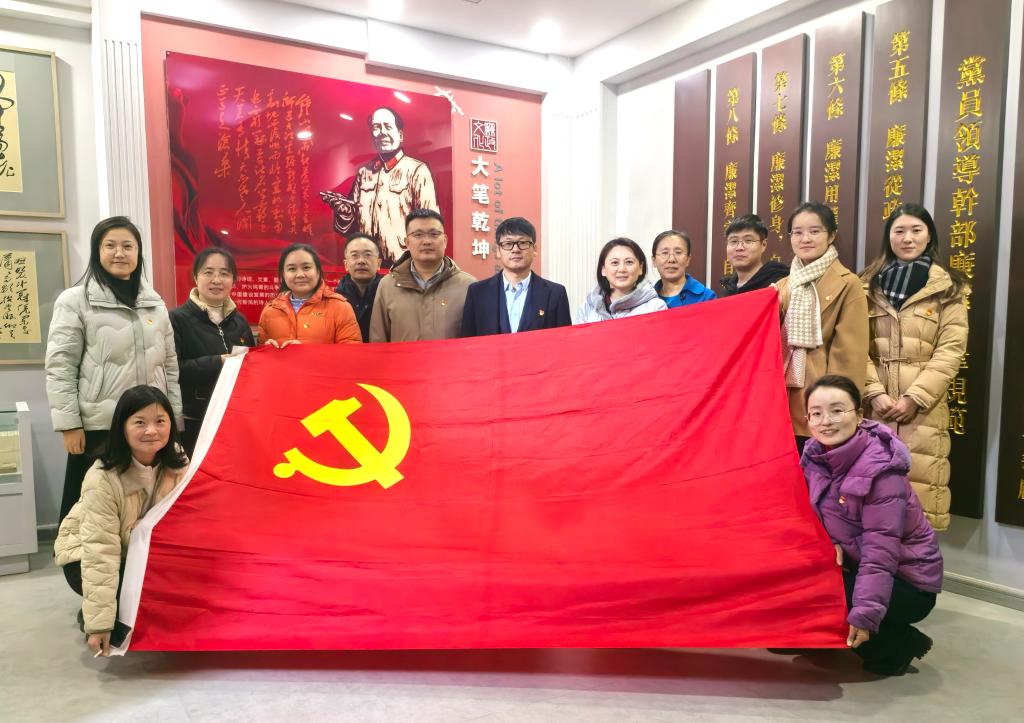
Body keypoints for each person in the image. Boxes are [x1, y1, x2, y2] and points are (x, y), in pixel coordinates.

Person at [801, 374, 942, 676]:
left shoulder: (881, 473)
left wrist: (864, 616)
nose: (826, 421)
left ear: (859, 415)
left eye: (837, 411)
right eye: (816, 413)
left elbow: (881, 554)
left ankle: (897, 643)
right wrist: (828, 541)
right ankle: (825, 636)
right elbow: (811, 513)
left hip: (907, 584)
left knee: (813, 589)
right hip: (860, 567)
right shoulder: (814, 456)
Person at [45, 216, 183, 525]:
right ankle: (83, 559)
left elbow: (169, 366)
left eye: (127, 246)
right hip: (100, 426)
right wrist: (69, 425)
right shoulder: (75, 301)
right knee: (91, 514)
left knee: (144, 510)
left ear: (138, 253)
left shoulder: (155, 303)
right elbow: (60, 366)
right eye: (110, 245)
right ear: (97, 251)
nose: (119, 253)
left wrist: (173, 419)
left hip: (148, 426)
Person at [54, 385, 189, 657]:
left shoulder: (177, 458)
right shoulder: (102, 478)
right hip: (86, 555)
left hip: (140, 552)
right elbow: (100, 551)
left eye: (160, 421)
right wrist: (99, 624)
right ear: (122, 427)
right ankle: (96, 613)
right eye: (140, 422)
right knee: (124, 613)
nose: (151, 431)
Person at [860, 203, 969, 531]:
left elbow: (950, 351)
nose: (907, 238)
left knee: (919, 503)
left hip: (923, 410)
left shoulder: (949, 288)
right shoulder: (866, 286)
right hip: (874, 407)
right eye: (899, 231)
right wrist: (874, 392)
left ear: (929, 236)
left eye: (916, 230)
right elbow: (854, 345)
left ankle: (915, 567)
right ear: (889, 237)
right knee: (871, 504)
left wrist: (915, 398)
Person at [775, 202, 868, 448]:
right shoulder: (783, 286)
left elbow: (849, 354)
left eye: (814, 231)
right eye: (797, 232)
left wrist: (838, 408)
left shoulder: (848, 284)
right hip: (781, 400)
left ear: (831, 235)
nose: (805, 238)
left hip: (819, 402)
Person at [321, 107, 439, 266]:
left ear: (400, 135)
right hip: (367, 267)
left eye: (387, 127)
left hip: (403, 267)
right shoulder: (364, 173)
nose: (382, 132)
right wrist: (345, 213)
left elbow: (430, 224)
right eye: (376, 127)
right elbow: (352, 228)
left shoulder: (417, 170)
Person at [169, 247, 256, 456]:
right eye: (208, 272)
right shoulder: (176, 319)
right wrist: (217, 362)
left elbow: (252, 367)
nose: (216, 280)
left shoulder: (240, 322)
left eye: (224, 274)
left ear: (233, 280)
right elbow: (172, 370)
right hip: (195, 419)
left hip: (233, 416)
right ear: (195, 277)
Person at [369, 209, 475, 342]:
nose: (427, 241)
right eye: (418, 235)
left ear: (445, 240)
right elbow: (378, 340)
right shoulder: (388, 285)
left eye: (434, 234)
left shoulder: (468, 286)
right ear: (407, 242)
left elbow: (478, 342)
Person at [460, 217, 572, 337]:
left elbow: (564, 342)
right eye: (508, 244)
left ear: (534, 249)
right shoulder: (477, 293)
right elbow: (468, 341)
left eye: (522, 243)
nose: (515, 249)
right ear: (498, 251)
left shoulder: (556, 294)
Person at [258, 243, 362, 347]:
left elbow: (352, 352)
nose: (300, 275)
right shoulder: (269, 311)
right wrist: (267, 349)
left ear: (318, 271)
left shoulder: (340, 308)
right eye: (292, 269)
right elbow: (258, 352)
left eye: (306, 267)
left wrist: (307, 351)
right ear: (283, 274)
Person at [575, 238, 667, 322]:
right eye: (615, 263)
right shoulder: (587, 309)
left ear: (640, 268)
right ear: (603, 270)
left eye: (629, 262)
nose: (622, 269)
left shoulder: (656, 308)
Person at [719, 214, 789, 296]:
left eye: (748, 240)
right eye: (734, 241)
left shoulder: (779, 286)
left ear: (763, 245)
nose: (739, 247)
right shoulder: (728, 291)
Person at [335, 233, 383, 343]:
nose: (361, 261)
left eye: (367, 255)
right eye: (354, 255)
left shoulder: (389, 294)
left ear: (378, 263)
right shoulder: (335, 298)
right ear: (346, 264)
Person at [650, 230, 716, 307]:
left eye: (678, 252)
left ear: (688, 259)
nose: (671, 259)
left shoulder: (707, 298)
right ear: (654, 260)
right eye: (665, 253)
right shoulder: (647, 300)